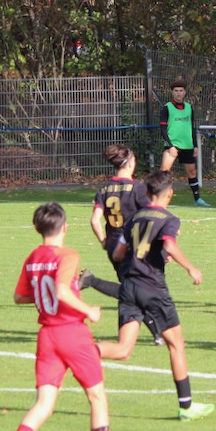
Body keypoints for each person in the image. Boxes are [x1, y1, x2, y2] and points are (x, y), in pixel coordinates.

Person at [0, 202, 128, 431]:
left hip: (46, 337)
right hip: (72, 334)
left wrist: (43, 295)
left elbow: (19, 296)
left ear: (38, 229)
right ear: (65, 227)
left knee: (43, 404)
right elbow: (60, 290)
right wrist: (88, 310)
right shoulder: (68, 255)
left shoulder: (33, 258)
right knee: (97, 397)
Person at [98, 170, 215, 421]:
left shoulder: (134, 218)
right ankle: (186, 407)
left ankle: (80, 352)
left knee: (123, 350)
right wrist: (190, 267)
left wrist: (151, 255)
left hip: (129, 286)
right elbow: (170, 244)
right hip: (152, 288)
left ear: (147, 192)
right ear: (169, 194)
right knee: (176, 344)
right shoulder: (168, 218)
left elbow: (118, 253)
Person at [82, 143, 163, 345]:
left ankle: (158, 334)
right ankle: (92, 281)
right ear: (130, 163)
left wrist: (103, 240)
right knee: (136, 290)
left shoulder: (104, 189)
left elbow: (94, 220)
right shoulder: (137, 189)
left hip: (113, 246)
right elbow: (152, 215)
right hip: (131, 247)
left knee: (132, 290)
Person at [160, 79, 210, 207]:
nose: (178, 93)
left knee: (192, 172)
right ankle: (159, 198)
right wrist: (170, 146)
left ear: (184, 92)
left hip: (188, 145)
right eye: (176, 91)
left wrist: (195, 145)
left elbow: (192, 128)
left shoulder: (189, 107)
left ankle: (197, 199)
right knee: (164, 172)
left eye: (181, 91)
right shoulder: (167, 107)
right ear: (172, 92)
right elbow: (163, 129)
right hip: (172, 145)